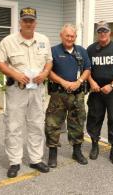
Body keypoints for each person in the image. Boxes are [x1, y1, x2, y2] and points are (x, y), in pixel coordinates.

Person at [0, 7, 52, 177]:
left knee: (37, 125)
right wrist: (15, 74)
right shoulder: (8, 41)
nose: (28, 23)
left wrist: (45, 73)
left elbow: (49, 61)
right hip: (17, 90)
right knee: (14, 126)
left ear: (35, 22)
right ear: (20, 22)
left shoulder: (43, 39)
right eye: (25, 20)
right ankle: (14, 162)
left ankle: (36, 159)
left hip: (37, 90)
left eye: (31, 20)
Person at [45, 24, 91, 168]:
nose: (70, 38)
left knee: (77, 123)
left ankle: (76, 152)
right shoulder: (53, 51)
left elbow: (87, 69)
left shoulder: (82, 51)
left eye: (72, 36)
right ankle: (53, 154)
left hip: (77, 94)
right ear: (61, 35)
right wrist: (62, 82)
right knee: (52, 124)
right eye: (67, 36)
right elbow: (48, 70)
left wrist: (79, 81)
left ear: (75, 37)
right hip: (58, 94)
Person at [86, 21, 113, 165]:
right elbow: (87, 70)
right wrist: (92, 82)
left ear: (110, 32)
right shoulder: (90, 49)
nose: (102, 33)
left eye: (105, 31)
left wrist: (111, 85)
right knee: (94, 118)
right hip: (96, 91)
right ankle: (94, 146)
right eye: (100, 31)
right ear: (97, 33)